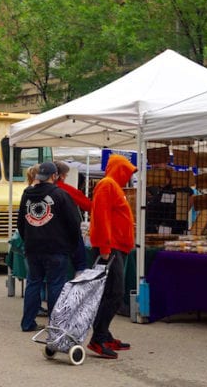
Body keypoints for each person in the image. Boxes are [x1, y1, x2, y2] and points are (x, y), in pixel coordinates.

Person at [17, 161, 82, 333]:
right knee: (55, 285)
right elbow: (74, 223)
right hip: (56, 248)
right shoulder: (61, 195)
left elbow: (20, 223)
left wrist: (29, 239)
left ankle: (27, 323)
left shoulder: (26, 194)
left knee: (33, 283)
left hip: (33, 247)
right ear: (54, 176)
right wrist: (72, 245)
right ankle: (56, 325)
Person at [88, 154, 137, 359]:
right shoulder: (108, 185)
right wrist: (105, 247)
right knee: (114, 294)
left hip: (116, 247)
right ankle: (98, 338)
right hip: (112, 248)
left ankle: (103, 334)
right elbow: (101, 216)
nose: (129, 176)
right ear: (120, 170)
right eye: (127, 171)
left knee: (111, 294)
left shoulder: (112, 185)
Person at [55, 160, 91, 272]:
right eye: (65, 174)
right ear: (61, 175)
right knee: (80, 263)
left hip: (45, 236)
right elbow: (88, 205)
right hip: (67, 232)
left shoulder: (37, 190)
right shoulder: (66, 190)